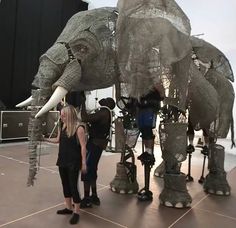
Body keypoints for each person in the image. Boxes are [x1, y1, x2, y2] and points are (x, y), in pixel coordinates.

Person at [44, 105, 87, 224]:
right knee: (65, 185)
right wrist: (44, 139)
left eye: (64, 115)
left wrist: (83, 162)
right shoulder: (62, 125)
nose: (61, 117)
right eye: (61, 115)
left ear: (70, 115)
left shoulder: (79, 128)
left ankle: (76, 212)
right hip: (62, 160)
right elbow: (58, 140)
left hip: (73, 162)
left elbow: (83, 146)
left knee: (73, 186)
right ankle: (68, 208)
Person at [80, 96, 116, 208]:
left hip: (95, 144)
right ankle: (94, 196)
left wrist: (83, 103)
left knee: (87, 169)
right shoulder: (106, 113)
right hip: (97, 144)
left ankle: (87, 198)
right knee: (92, 169)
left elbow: (84, 118)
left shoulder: (103, 113)